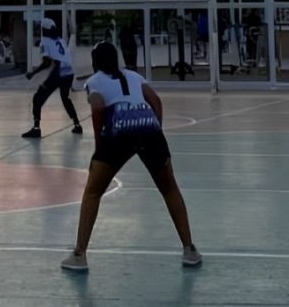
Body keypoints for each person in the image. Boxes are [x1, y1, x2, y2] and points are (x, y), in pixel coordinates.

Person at [61, 41, 201, 272]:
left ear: (95, 62)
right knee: (169, 189)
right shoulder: (134, 76)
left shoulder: (94, 81)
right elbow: (155, 101)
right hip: (149, 128)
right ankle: (189, 250)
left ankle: (79, 255)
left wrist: (99, 149)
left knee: (93, 192)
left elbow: (97, 109)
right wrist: (156, 132)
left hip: (119, 130)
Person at [22, 17, 82, 138]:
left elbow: (47, 63)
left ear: (43, 29)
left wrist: (33, 73)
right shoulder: (61, 40)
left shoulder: (44, 41)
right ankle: (77, 125)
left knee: (38, 98)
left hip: (59, 71)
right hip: (69, 71)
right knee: (65, 98)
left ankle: (36, 128)